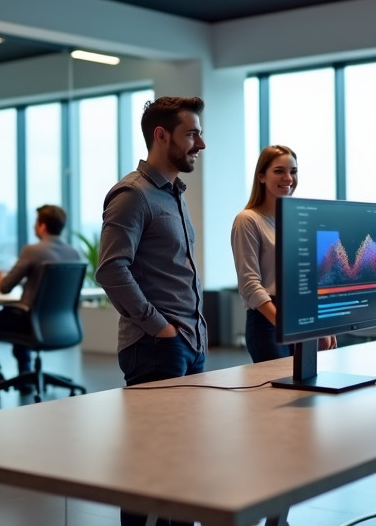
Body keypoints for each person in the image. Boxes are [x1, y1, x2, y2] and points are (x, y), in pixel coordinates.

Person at [95, 96, 208, 526]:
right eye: (192, 134)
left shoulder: (174, 194)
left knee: (183, 465)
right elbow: (110, 269)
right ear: (161, 136)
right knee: (150, 465)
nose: (200, 143)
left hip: (188, 344)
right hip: (157, 346)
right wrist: (159, 328)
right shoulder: (132, 195)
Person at [231, 145, 336, 362]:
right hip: (267, 320)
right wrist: (285, 324)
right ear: (261, 177)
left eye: (293, 171)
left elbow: (310, 279)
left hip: (300, 313)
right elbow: (250, 285)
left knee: (306, 387)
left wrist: (321, 325)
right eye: (279, 171)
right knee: (276, 391)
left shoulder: (298, 221)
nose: (288, 178)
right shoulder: (248, 220)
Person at [0, 204, 81, 395]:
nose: (35, 227)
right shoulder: (74, 253)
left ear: (42, 226)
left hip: (30, 321)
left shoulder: (33, 250)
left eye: (36, 223)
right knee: (19, 313)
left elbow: (6, 286)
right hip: (61, 323)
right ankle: (25, 376)